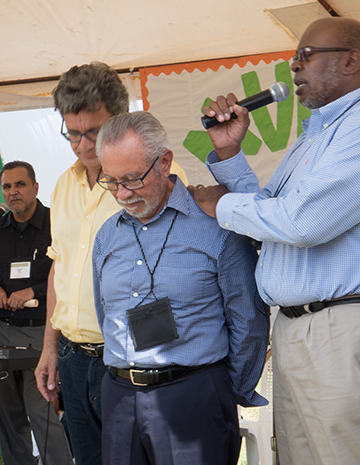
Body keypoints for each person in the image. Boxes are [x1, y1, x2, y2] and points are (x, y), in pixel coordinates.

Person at [191, 17, 360, 465]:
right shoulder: (315, 136)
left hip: (346, 324)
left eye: (306, 56)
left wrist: (218, 205)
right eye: (295, 57)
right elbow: (273, 219)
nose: (294, 67)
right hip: (301, 326)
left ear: (352, 61)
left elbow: (303, 223)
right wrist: (229, 154)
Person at [33, 61, 188, 465]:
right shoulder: (64, 183)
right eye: (72, 134)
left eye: (93, 132)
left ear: (120, 120)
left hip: (132, 361)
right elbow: (59, 267)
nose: (83, 146)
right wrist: (50, 347)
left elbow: (181, 277)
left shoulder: (159, 178)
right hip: (72, 356)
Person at [92, 111, 268, 465]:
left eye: (132, 179)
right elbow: (104, 312)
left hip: (195, 396)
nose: (122, 193)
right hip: (119, 396)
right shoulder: (107, 235)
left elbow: (248, 322)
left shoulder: (215, 226)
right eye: (110, 181)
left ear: (165, 162)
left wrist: (217, 390)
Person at [0, 161, 73, 465]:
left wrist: (34, 292)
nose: (13, 191)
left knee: (41, 411)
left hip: (41, 332)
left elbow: (70, 275)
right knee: (7, 410)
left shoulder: (58, 225)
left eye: (20, 184)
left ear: (36, 188)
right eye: (7, 186)